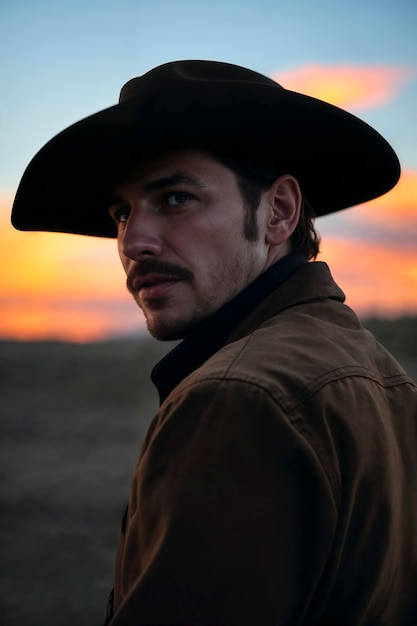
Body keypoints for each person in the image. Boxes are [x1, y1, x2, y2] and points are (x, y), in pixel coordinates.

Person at [11, 60, 417, 625]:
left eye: (175, 198)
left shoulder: (239, 397)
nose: (134, 243)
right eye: (122, 213)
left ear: (278, 212)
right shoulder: (387, 376)